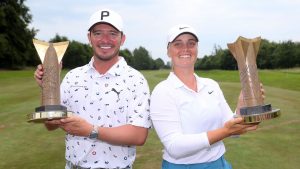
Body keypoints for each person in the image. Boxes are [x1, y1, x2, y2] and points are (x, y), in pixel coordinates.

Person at [34, 9, 151, 169]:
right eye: (98, 33)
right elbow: (50, 124)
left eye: (112, 33)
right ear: (89, 37)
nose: (105, 39)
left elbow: (139, 135)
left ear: (122, 39)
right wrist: (48, 88)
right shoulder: (73, 76)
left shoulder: (136, 80)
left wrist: (91, 130)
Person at [150, 24, 260, 169]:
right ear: (168, 51)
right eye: (178, 44)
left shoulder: (211, 85)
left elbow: (233, 130)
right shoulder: (162, 91)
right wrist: (225, 132)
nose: (185, 49)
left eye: (191, 43)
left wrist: (242, 107)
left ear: (197, 49)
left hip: (219, 163)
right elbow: (174, 147)